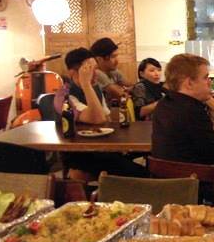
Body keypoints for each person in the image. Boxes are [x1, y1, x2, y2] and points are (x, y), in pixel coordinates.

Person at [53, 48, 146, 179]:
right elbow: (98, 119)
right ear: (73, 72)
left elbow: (106, 117)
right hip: (79, 154)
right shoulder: (64, 95)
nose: (95, 74)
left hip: (102, 148)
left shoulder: (95, 87)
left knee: (142, 164)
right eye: (89, 70)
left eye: (95, 69)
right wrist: (86, 84)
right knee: (139, 174)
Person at [90, 37, 131, 102]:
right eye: (113, 57)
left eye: (116, 56)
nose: (117, 61)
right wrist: (124, 90)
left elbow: (133, 86)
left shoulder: (113, 71)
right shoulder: (96, 73)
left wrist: (126, 90)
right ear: (99, 59)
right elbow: (122, 95)